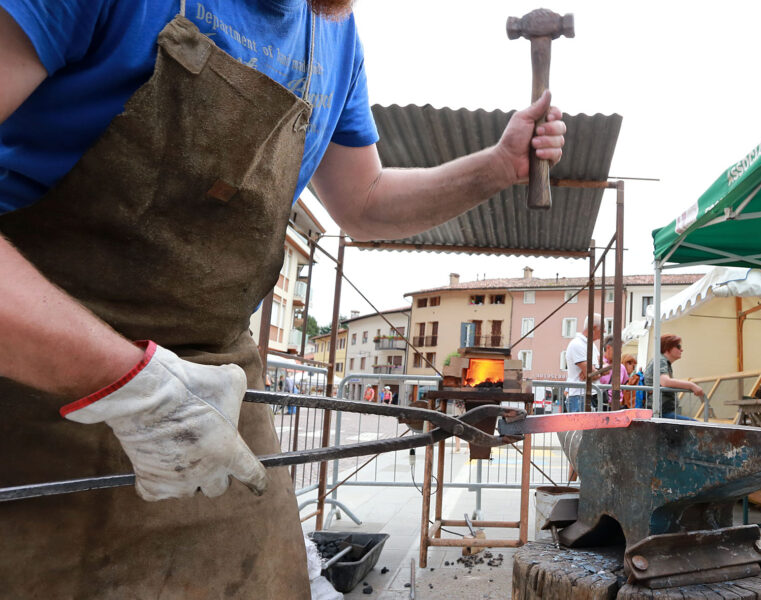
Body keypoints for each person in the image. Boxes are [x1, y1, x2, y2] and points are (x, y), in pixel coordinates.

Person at [0, 2, 565, 597]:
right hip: (29, 377)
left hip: (214, 395)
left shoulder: (334, 32)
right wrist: (130, 383)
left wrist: (497, 167)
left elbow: (365, 201)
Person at [644, 335, 704, 419]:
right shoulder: (660, 360)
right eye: (678, 346)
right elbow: (665, 382)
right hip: (660, 412)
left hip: (660, 411)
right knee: (696, 428)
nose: (681, 350)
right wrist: (691, 385)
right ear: (667, 348)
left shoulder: (661, 360)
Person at [564, 314, 603, 412]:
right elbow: (593, 373)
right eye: (601, 329)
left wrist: (594, 371)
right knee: (580, 427)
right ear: (594, 328)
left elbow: (600, 367)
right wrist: (593, 372)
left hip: (586, 395)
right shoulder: (577, 344)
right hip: (579, 396)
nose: (604, 332)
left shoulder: (591, 346)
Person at [598, 335, 629, 408]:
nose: (620, 352)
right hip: (601, 405)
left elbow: (625, 386)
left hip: (618, 405)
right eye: (618, 350)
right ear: (608, 348)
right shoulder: (597, 363)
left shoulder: (621, 367)